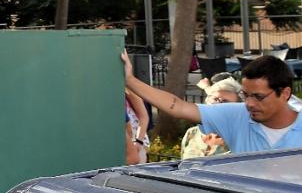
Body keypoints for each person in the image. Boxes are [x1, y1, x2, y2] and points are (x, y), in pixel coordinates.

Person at [122, 53, 302, 153]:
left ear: (285, 93)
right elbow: (178, 106)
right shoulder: (236, 115)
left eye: (258, 97)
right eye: (245, 95)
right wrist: (129, 80)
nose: (249, 103)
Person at [180, 77, 241, 159]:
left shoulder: (241, 139)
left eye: (225, 102)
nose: (218, 104)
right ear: (207, 101)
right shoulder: (192, 133)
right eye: (215, 99)